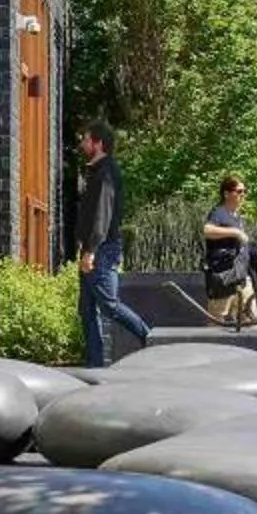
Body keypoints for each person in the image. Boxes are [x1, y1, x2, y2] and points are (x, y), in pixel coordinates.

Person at [73, 122, 152, 367]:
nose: (82, 144)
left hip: (101, 250)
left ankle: (150, 338)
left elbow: (102, 215)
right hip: (93, 249)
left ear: (98, 143)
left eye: (86, 139)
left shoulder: (106, 173)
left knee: (109, 305)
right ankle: (95, 366)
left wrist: (91, 251)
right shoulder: (97, 172)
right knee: (87, 311)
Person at [202, 175, 257, 327]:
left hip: (241, 275)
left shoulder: (237, 217)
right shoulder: (218, 212)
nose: (243, 195)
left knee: (251, 320)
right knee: (217, 323)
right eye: (239, 191)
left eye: (244, 192)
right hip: (224, 277)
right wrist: (235, 232)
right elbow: (208, 230)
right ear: (227, 194)